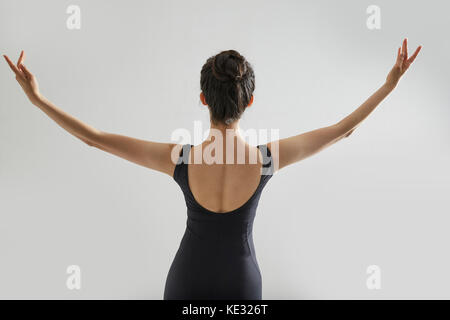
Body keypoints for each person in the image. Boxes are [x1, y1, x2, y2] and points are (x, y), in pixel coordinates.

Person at [3, 39, 421, 299]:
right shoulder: (266, 159)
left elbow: (95, 138)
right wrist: (388, 85)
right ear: (249, 102)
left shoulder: (180, 159)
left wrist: (38, 100)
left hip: (187, 282)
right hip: (243, 284)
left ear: (203, 100)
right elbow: (341, 131)